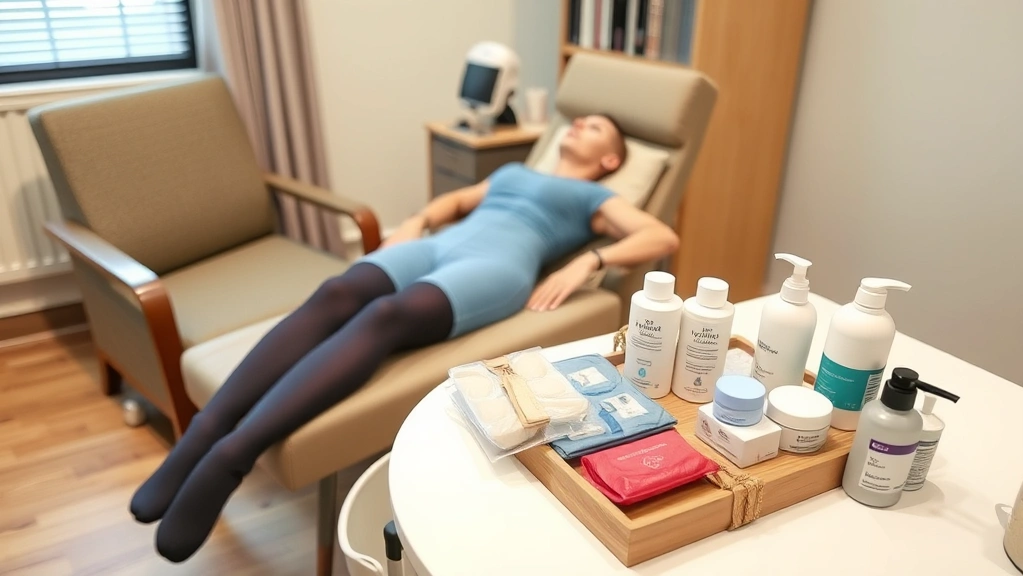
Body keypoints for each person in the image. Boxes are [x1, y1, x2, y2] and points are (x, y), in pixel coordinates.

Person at [130, 113, 680, 562]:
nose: (581, 121)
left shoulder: (592, 198)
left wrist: (590, 258)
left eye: (597, 128)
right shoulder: (514, 171)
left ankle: (232, 453)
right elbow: (456, 205)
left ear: (609, 160)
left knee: (386, 316)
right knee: (337, 292)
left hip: (497, 265)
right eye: (580, 119)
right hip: (440, 246)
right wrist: (417, 221)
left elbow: (661, 235)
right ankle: (205, 430)